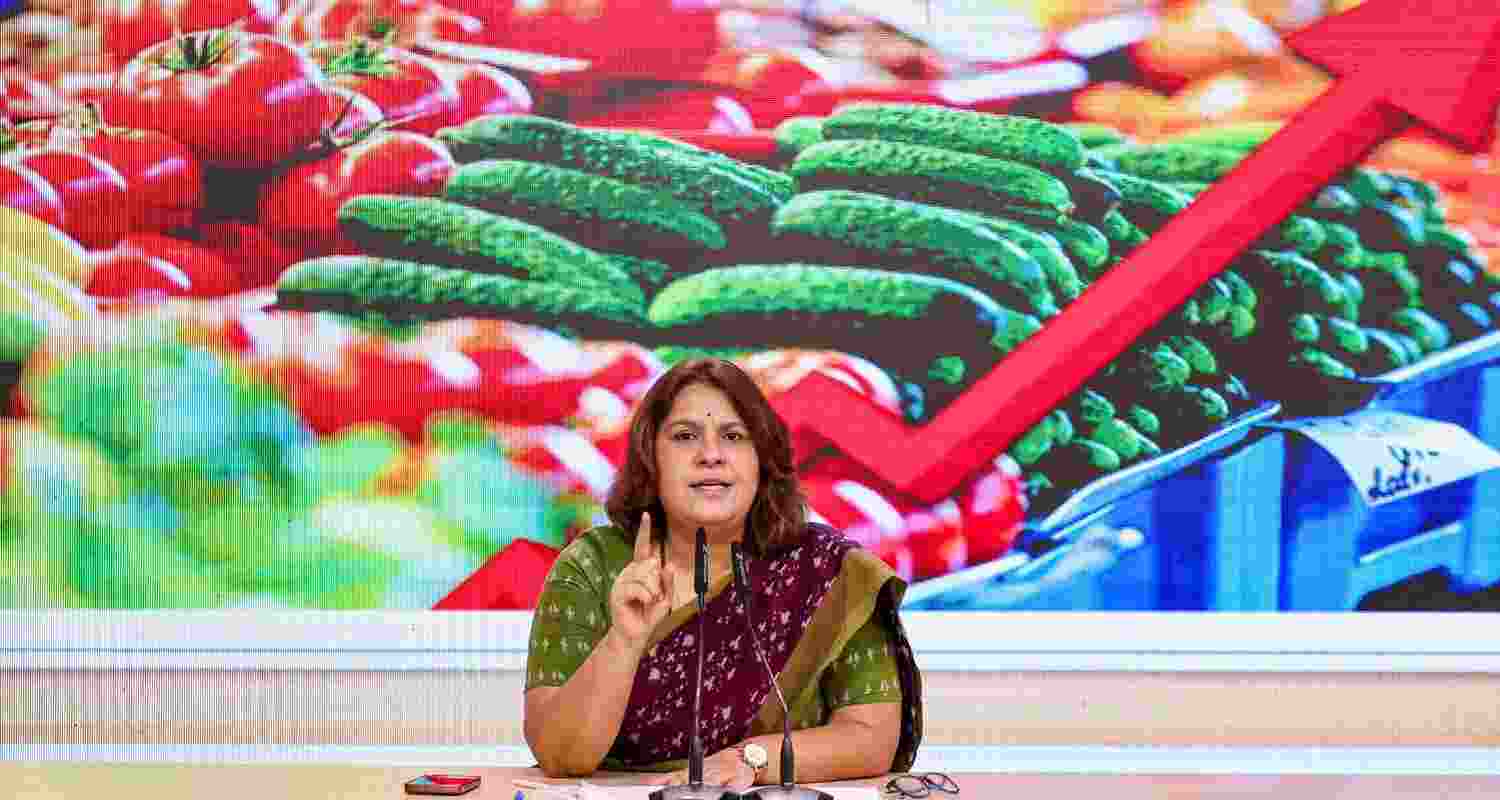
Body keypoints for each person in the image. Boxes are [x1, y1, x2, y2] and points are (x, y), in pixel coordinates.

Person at [523, 357, 923, 787]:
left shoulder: (828, 569)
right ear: (650, 458)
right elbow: (559, 756)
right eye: (684, 437)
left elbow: (873, 737)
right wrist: (623, 641)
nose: (711, 455)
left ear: (762, 459)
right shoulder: (593, 564)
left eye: (733, 437)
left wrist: (750, 760)